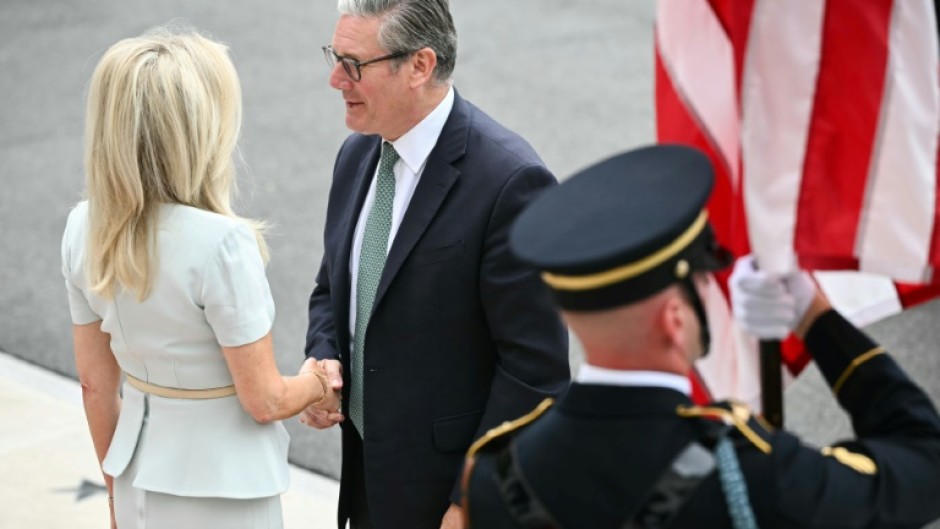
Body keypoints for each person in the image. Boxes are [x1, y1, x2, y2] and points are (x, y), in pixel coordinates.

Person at [461, 144, 940, 528]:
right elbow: (927, 459)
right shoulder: (752, 471)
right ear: (674, 319)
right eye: (705, 280)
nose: (712, 291)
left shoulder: (492, 476)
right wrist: (815, 318)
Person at [299, 1, 570, 527]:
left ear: (420, 66)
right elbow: (331, 289)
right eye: (335, 57)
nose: (336, 79)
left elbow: (535, 373)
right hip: (367, 484)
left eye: (354, 64)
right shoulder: (357, 156)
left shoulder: (510, 182)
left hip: (448, 501)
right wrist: (324, 360)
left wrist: (471, 498)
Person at [61, 28, 341, 529]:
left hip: (134, 477)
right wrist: (320, 383)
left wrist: (115, 497)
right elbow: (265, 399)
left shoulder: (83, 227)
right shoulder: (222, 244)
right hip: (225, 490)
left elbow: (94, 386)